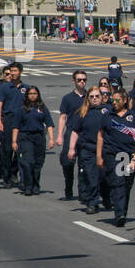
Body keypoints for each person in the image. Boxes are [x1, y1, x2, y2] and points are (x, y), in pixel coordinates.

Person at [96, 89, 135, 227]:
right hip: (113, 153)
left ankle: (123, 210)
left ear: (124, 100)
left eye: (117, 100)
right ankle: (119, 214)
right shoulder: (108, 115)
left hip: (128, 155)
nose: (114, 103)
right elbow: (100, 135)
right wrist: (99, 156)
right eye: (112, 100)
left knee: (126, 184)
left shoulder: (134, 116)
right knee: (118, 183)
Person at [67, 87, 109, 215]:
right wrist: (71, 148)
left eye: (97, 96)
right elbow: (75, 131)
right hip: (88, 149)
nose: (95, 98)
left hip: (105, 149)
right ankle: (92, 203)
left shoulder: (108, 111)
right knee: (91, 177)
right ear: (88, 98)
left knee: (104, 177)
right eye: (92, 96)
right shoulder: (83, 112)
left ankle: (106, 197)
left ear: (102, 97)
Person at [12, 86, 53, 196]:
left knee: (38, 163)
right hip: (25, 137)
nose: (33, 95)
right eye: (30, 93)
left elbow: (49, 124)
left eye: (35, 93)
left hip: (39, 137)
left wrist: (51, 139)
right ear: (27, 96)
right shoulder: (22, 110)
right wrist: (14, 141)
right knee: (28, 162)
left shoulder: (42, 108)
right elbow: (16, 127)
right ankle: (27, 186)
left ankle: (36, 185)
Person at [0, 61, 26, 189]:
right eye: (11, 71)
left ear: (20, 72)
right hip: (8, 119)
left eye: (15, 71)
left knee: (20, 150)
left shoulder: (26, 88)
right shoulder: (4, 87)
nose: (12, 74)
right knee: (6, 151)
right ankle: (6, 178)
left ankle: (14, 172)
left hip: (21, 122)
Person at [55, 70, 87, 200]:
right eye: (79, 80)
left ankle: (83, 193)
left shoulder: (90, 97)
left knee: (84, 164)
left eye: (84, 79)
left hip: (85, 134)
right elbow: (63, 117)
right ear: (73, 81)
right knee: (67, 162)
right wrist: (59, 135)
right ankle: (68, 186)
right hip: (71, 132)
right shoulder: (67, 98)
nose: (82, 82)